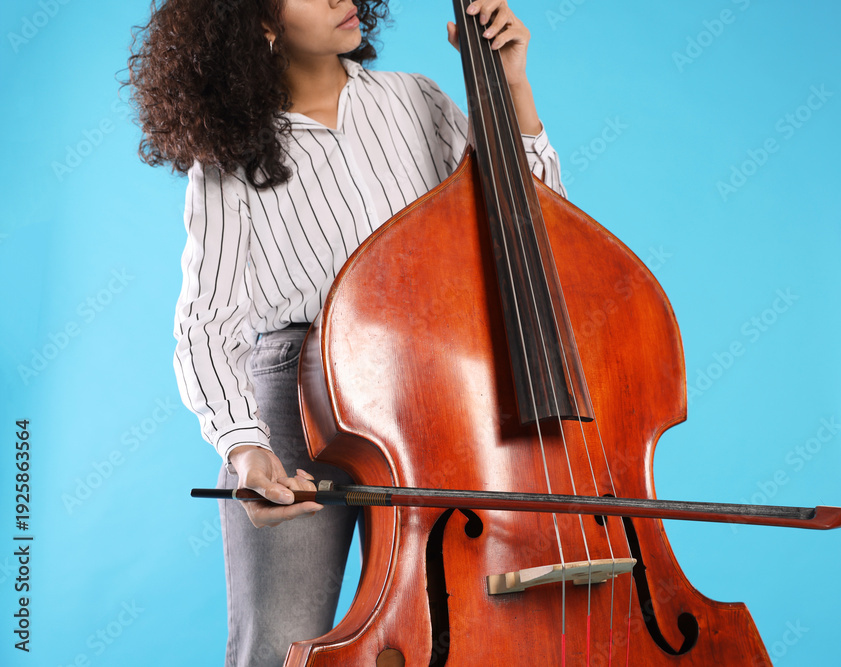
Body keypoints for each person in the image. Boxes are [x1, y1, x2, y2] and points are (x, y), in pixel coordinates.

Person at [126, 0, 566, 665]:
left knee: (454, 627)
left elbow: (537, 230)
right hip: (302, 395)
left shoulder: (416, 99)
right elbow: (206, 325)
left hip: (435, 389)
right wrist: (246, 448)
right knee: (280, 643)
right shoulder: (229, 157)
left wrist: (512, 90)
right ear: (260, 21)